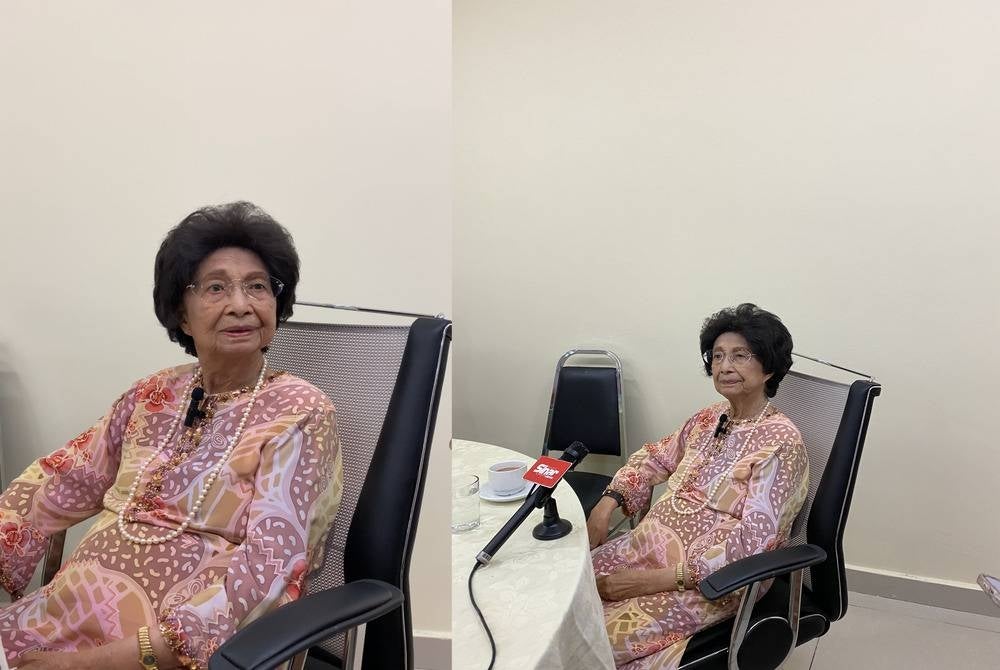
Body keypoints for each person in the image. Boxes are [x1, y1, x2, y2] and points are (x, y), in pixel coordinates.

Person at [0, 202, 343, 670]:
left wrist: (91, 663)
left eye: (257, 286)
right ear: (182, 314)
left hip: (174, 651)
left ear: (275, 305)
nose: (240, 304)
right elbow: (64, 476)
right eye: (216, 287)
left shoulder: (300, 412)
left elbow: (271, 565)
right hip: (55, 621)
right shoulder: (153, 394)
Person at [589, 303, 808, 669]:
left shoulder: (780, 444)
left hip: (711, 581)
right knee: (564, 594)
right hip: (647, 548)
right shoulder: (710, 417)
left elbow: (755, 544)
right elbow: (656, 458)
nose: (724, 366)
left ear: (768, 366)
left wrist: (645, 583)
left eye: (740, 356)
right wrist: (607, 503)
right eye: (718, 356)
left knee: (596, 638)